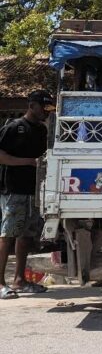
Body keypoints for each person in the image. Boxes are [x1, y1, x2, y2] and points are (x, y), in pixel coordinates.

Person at [0, 90, 55, 299]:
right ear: (31, 105)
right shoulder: (13, 127)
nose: (46, 113)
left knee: (26, 236)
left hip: (34, 190)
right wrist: (28, 162)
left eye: (49, 109)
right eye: (44, 108)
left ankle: (20, 280)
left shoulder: (41, 130)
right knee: (7, 235)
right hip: (13, 189)